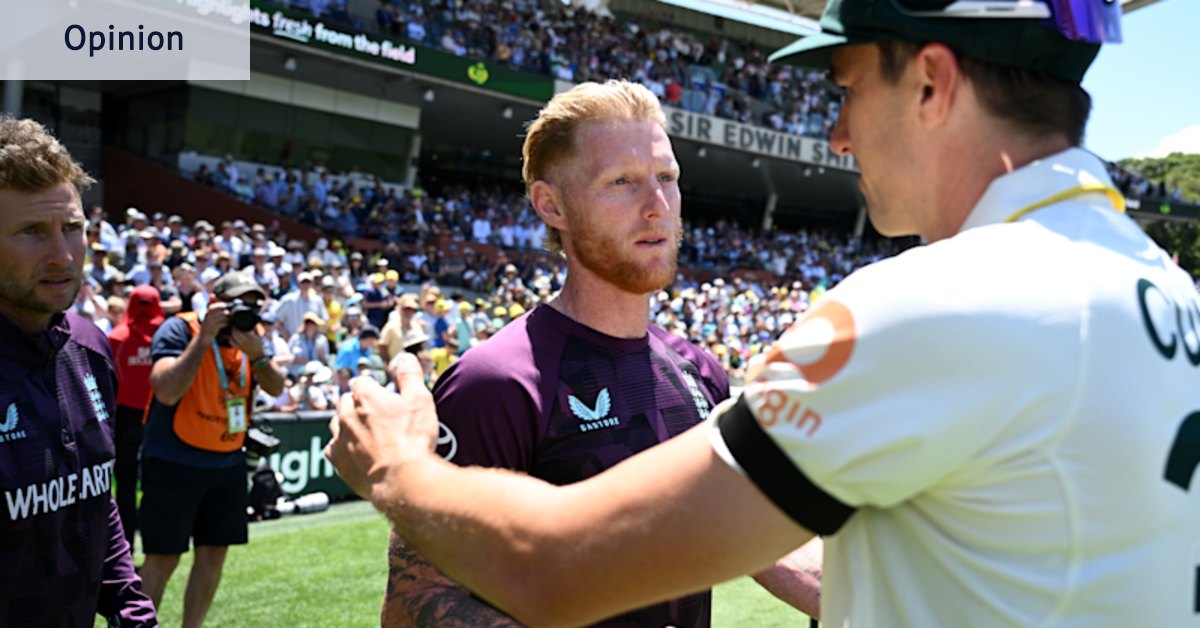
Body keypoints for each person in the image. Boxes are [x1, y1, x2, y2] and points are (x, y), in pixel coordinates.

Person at [327, 4, 1200, 626]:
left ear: (931, 83)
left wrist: (398, 469)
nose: (837, 137)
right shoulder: (1166, 288)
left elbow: (559, 570)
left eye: (849, 87)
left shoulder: (931, 302)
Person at [379, 80, 764, 628]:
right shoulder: (497, 382)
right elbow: (414, 606)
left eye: (667, 178)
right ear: (551, 204)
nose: (657, 207)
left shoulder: (701, 374)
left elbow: (752, 539)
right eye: (622, 182)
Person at [0, 115, 156, 625]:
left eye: (72, 228)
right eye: (31, 232)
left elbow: (93, 497)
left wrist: (133, 611)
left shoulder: (89, 345)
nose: (63, 255)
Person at [139, 272, 286, 626]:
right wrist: (204, 339)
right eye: (237, 303)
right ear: (214, 300)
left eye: (252, 305)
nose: (245, 311)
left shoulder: (251, 339)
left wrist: (259, 356)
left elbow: (278, 387)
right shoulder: (180, 329)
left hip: (227, 462)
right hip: (175, 458)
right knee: (163, 556)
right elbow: (166, 390)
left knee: (214, 554)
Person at [108, 284, 165, 548]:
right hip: (159, 416)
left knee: (126, 487)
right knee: (158, 485)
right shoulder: (167, 336)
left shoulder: (117, 338)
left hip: (125, 420)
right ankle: (159, 545)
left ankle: (125, 548)